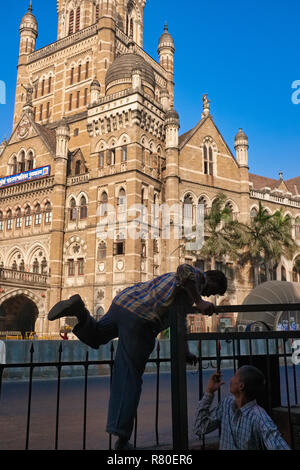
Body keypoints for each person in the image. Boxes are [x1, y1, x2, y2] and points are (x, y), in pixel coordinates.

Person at [48, 264, 227, 450]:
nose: (210, 295)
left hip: (123, 303)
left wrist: (185, 352)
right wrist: (199, 301)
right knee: (129, 377)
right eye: (215, 291)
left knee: (97, 336)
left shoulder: (185, 294)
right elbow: (184, 270)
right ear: (213, 280)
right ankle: (122, 440)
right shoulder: (198, 277)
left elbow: (179, 321)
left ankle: (79, 311)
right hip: (140, 318)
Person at [194, 366, 290, 450]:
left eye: (235, 376)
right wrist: (209, 391)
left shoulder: (258, 417)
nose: (231, 379)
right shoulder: (226, 404)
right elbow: (200, 427)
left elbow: (277, 443)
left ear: (241, 386)